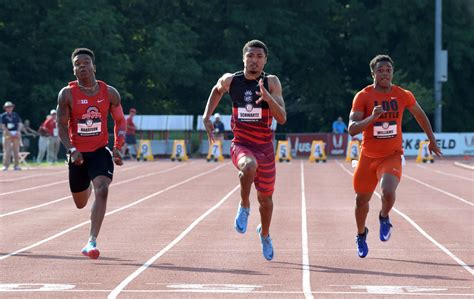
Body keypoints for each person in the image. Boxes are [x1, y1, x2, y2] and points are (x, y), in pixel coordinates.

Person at [348, 54, 442, 258]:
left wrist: (431, 139)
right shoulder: (363, 96)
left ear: (392, 72)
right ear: (373, 73)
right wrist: (372, 117)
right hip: (368, 156)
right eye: (380, 70)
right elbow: (352, 129)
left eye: (388, 70)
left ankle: (384, 216)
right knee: (361, 201)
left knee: (388, 192)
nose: (385, 73)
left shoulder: (402, 94)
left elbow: (419, 114)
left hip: (392, 154)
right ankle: (361, 234)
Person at [203, 40, 286, 261]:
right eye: (250, 56)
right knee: (248, 166)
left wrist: (268, 99)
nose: (254, 60)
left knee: (266, 201)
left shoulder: (272, 82)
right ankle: (244, 205)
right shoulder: (232, 80)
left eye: (259, 57)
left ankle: (265, 234)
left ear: (265, 60)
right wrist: (206, 116)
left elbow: (282, 118)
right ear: (244, 58)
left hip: (265, 148)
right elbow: (216, 90)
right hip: (241, 144)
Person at [56, 48, 126, 259]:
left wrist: (118, 146)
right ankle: (86, 184)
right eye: (78, 64)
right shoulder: (67, 94)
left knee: (102, 189)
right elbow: (60, 126)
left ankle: (91, 240)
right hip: (77, 154)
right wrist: (72, 149)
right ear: (74, 69)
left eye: (86, 62)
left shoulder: (109, 93)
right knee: (80, 203)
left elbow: (120, 121)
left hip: (99, 151)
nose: (82, 66)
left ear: (94, 67)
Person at [1, 101, 23, 171]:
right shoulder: (3, 116)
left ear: (12, 108)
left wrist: (18, 131)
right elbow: (2, 126)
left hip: (15, 133)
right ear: (5, 108)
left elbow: (20, 124)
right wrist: (8, 133)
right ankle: (5, 165)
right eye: (7, 107)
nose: (9, 108)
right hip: (7, 133)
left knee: (16, 150)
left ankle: (16, 165)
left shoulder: (15, 115)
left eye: (10, 107)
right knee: (7, 150)